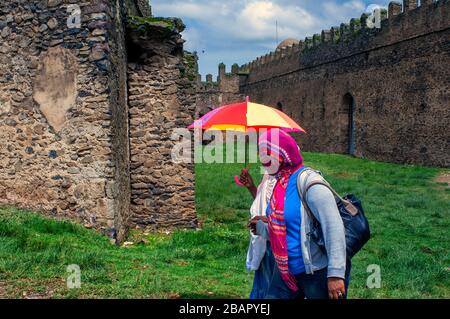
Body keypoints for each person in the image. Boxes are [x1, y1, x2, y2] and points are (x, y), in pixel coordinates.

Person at [243, 129, 350, 299]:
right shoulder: (280, 184)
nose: (262, 161)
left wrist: (336, 275)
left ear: (282, 156)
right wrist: (263, 227)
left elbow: (334, 227)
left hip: (315, 272)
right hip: (284, 270)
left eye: (266, 155)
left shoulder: (310, 184)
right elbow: (285, 227)